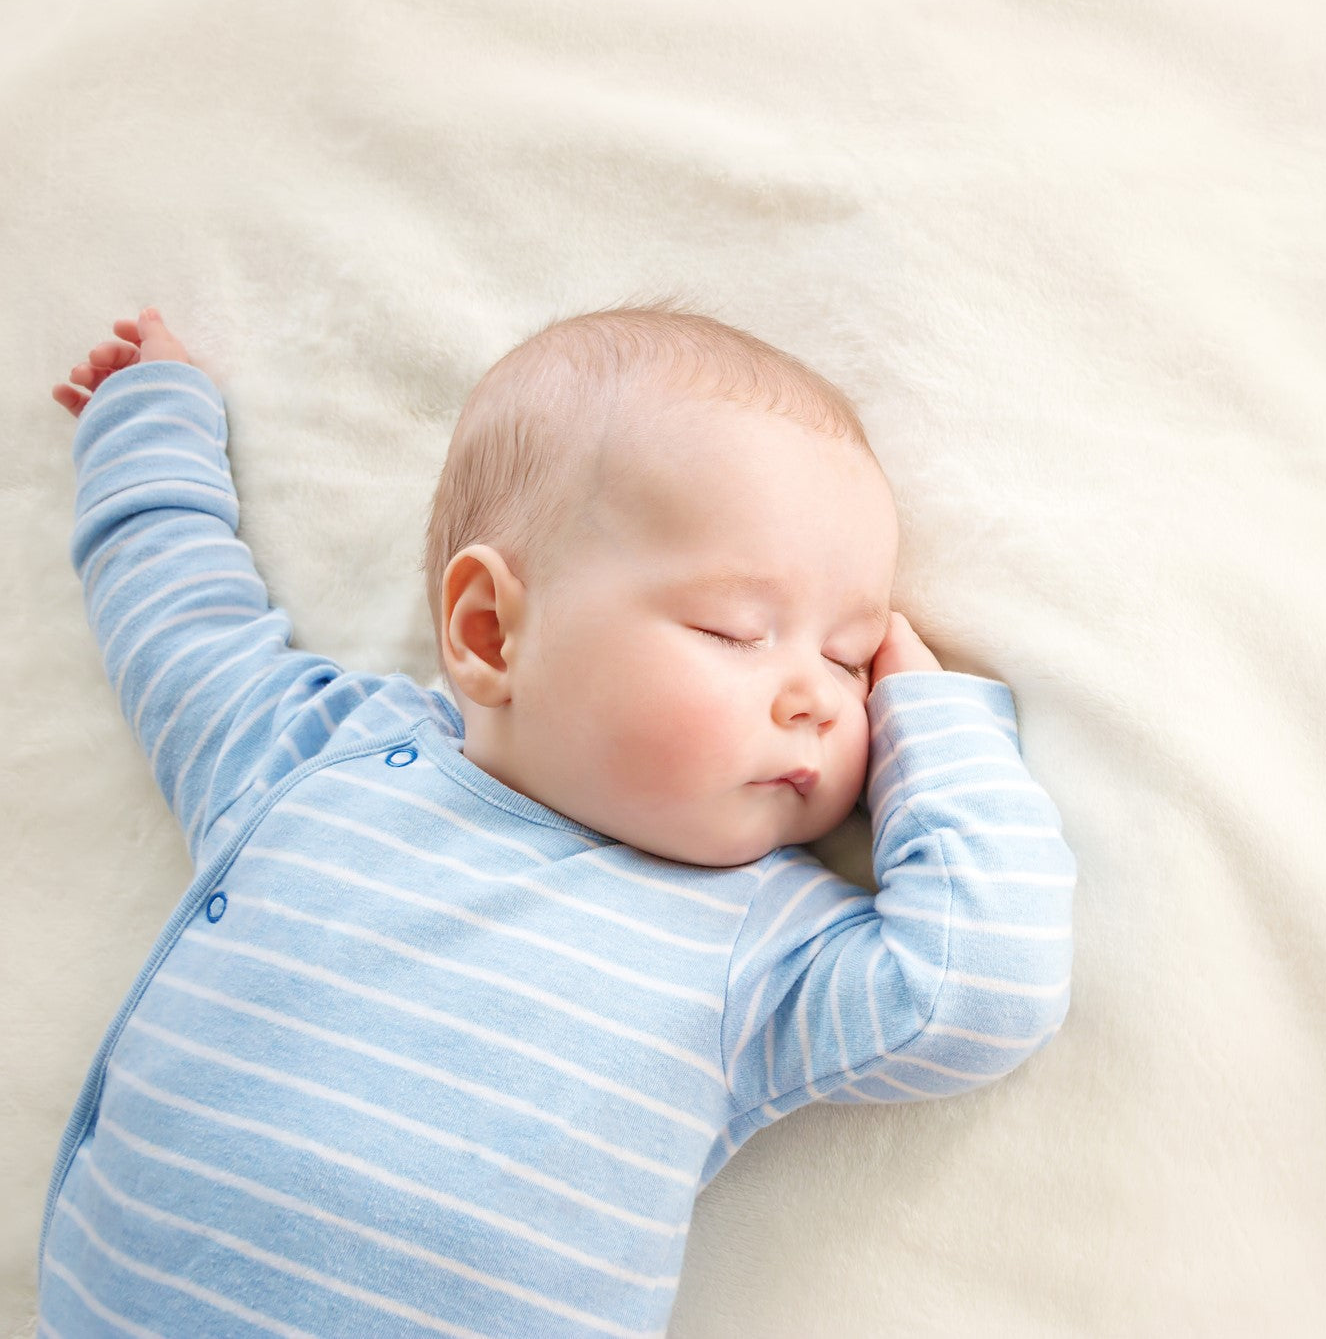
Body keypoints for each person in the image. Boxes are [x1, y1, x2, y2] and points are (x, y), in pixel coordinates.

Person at [40, 302, 1076, 1337]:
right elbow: (177, 620)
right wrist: (148, 421)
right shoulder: (310, 756)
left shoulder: (759, 944)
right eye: (735, 630)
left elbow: (980, 988)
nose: (817, 696)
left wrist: (928, 719)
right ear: (491, 632)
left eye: (849, 659)